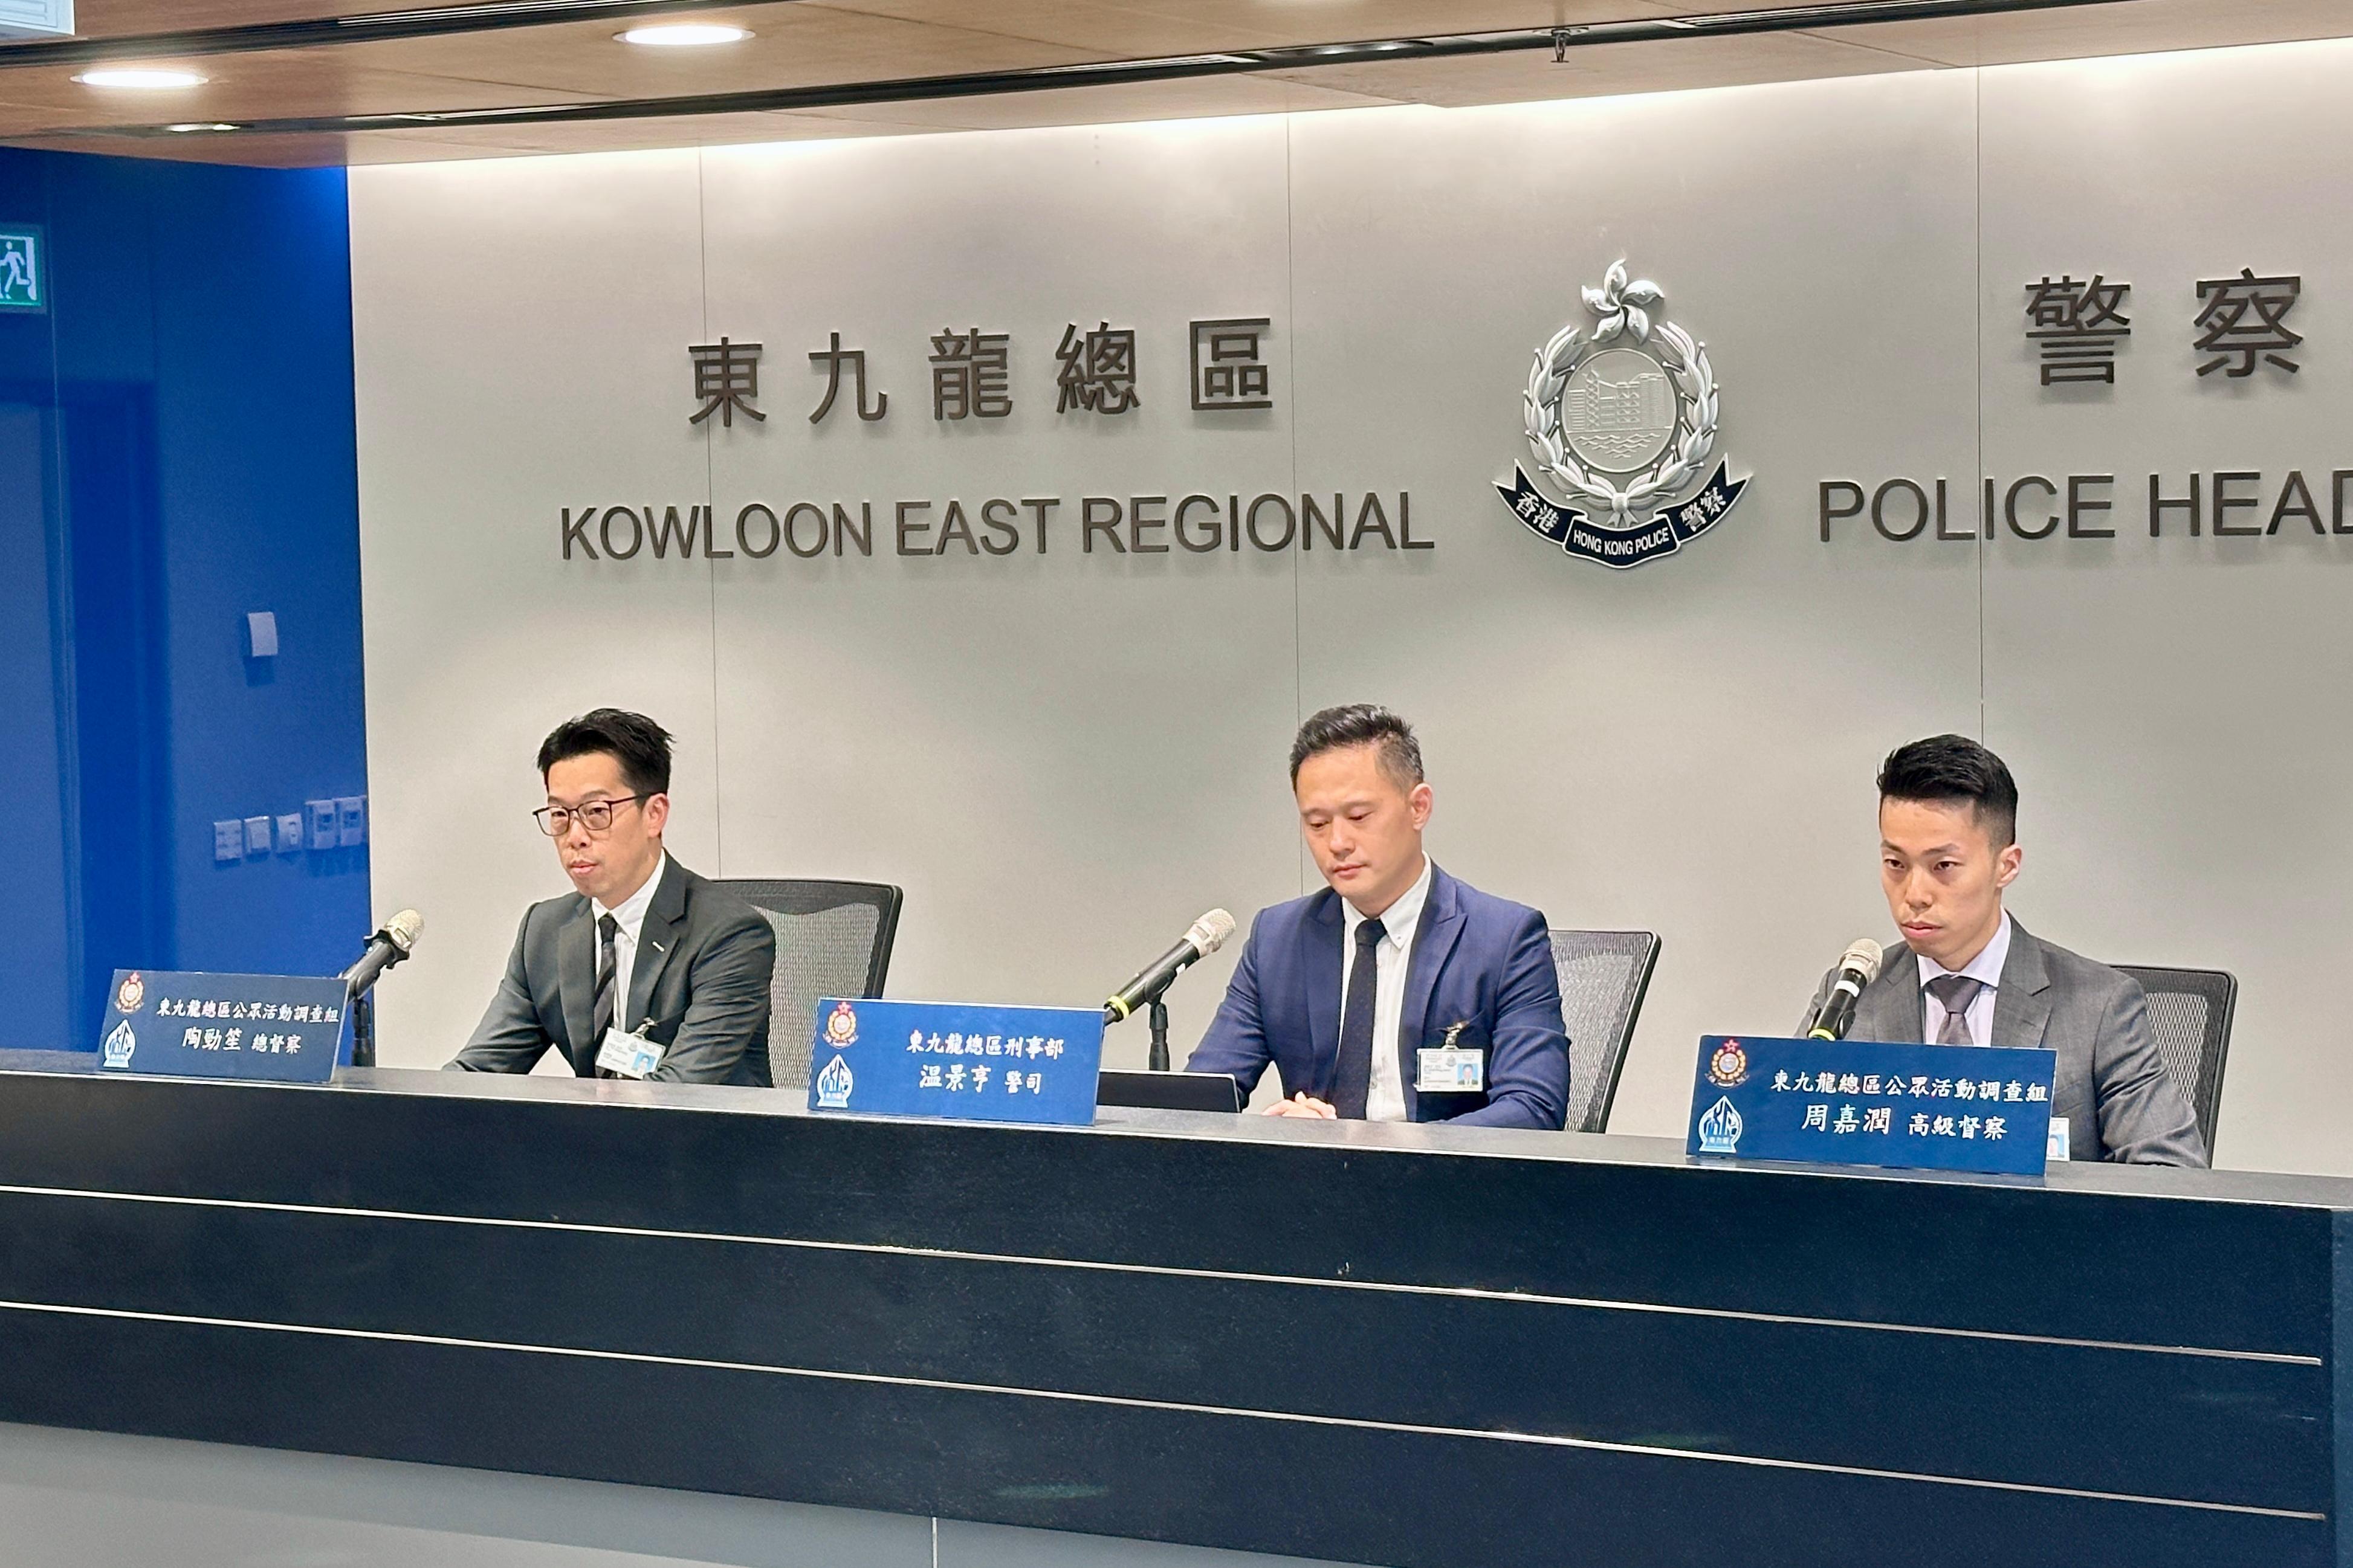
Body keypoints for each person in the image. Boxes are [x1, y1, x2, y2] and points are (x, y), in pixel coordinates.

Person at [1801, 734, 2204, 1166]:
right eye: (1895, 864)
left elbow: (2172, 1172)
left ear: (2005, 866)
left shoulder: (2099, 1007)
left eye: (1943, 866)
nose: (1914, 894)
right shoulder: (1850, 996)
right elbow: (1782, 1148)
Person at [1188, 705, 1569, 1129]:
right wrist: (1278, 1131)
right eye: (1317, 824)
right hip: (1315, 1172)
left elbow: (1533, 1108)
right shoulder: (1278, 939)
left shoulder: (1503, 939)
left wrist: (1378, 1149)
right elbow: (1198, 1100)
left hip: (1444, 1169)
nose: (1337, 842)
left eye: (1358, 817)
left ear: (1418, 807)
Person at [448, 709, 776, 1087]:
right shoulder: (544, 930)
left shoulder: (730, 935)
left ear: (654, 814)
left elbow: (680, 1092)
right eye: (559, 814)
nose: (575, 836)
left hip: (698, 1125)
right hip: (599, 1124)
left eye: (595, 812)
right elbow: (479, 1073)